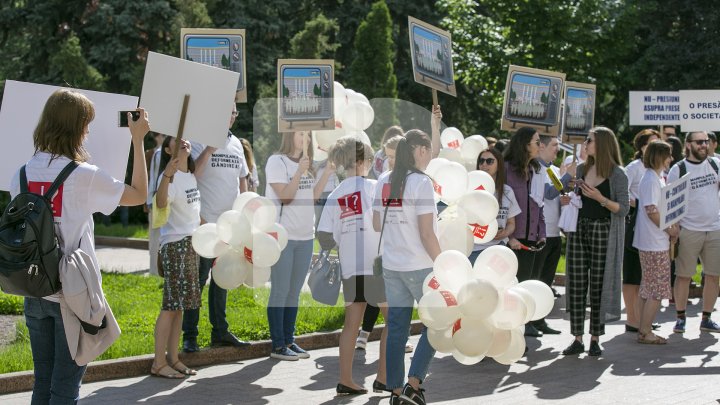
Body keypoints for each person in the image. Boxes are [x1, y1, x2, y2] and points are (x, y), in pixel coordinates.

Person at [12, 89, 149, 403]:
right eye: (86, 125)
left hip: (34, 290)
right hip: (72, 295)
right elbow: (139, 194)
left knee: (42, 384)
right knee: (64, 389)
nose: (88, 132)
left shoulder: (21, 173)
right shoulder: (84, 176)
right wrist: (138, 140)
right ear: (74, 129)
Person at [373, 129, 440, 405]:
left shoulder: (383, 180)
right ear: (421, 150)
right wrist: (444, 265)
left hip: (392, 264)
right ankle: (414, 383)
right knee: (436, 324)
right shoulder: (421, 183)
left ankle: (397, 391)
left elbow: (377, 224)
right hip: (420, 265)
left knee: (397, 329)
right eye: (428, 152)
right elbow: (427, 234)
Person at [317, 136, 389, 395]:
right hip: (377, 265)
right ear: (362, 161)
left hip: (351, 267)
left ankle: (345, 379)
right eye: (370, 160)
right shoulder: (373, 187)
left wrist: (343, 240)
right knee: (392, 320)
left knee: (351, 324)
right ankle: (383, 377)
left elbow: (324, 236)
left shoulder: (336, 194)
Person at [183, 105, 250, 352]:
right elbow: (193, 174)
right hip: (204, 224)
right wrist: (210, 148)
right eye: (227, 111)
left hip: (229, 225)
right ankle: (190, 336)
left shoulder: (237, 145)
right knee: (197, 282)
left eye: (234, 112)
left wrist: (245, 213)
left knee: (222, 280)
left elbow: (242, 179)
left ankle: (220, 332)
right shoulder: (199, 140)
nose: (231, 116)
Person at [265, 131, 336, 360]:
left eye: (308, 135)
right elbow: (285, 197)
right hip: (283, 236)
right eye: (300, 134)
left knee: (294, 292)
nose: (305, 138)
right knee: (280, 291)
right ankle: (277, 345)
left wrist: (327, 173)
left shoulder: (310, 165)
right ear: (289, 134)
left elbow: (313, 197)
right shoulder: (277, 161)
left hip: (306, 236)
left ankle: (289, 340)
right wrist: (299, 171)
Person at [563, 127, 628, 357]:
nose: (585, 143)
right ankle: (577, 337)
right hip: (579, 227)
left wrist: (600, 198)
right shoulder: (581, 168)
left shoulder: (617, 174)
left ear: (601, 144)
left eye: (589, 140)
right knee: (577, 281)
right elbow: (567, 194)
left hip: (604, 230)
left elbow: (623, 209)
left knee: (599, 283)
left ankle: (595, 338)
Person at [356, 134, 414, 354]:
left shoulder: (411, 180)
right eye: (387, 156)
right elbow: (377, 220)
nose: (390, 161)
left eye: (394, 156)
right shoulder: (383, 180)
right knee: (384, 295)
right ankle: (374, 335)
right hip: (385, 247)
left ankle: (399, 338)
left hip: (404, 248)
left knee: (398, 297)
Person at [151, 137, 201, 378]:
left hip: (191, 245)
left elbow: (192, 216)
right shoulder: (169, 177)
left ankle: (174, 358)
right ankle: (158, 363)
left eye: (185, 139)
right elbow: (161, 203)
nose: (183, 141)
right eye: (176, 140)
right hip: (175, 246)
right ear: (168, 149)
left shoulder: (190, 176)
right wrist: (167, 176)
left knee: (179, 307)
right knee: (170, 306)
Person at [667, 131, 720, 334]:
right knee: (683, 276)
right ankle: (680, 317)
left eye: (706, 141)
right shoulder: (678, 169)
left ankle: (706, 318)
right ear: (688, 145)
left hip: (714, 229)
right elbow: (670, 201)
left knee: (713, 276)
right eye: (699, 142)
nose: (704, 145)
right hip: (688, 230)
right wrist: (673, 227)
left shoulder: (715, 164)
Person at [503, 127, 546, 338]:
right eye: (537, 142)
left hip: (531, 237)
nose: (541, 146)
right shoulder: (506, 170)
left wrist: (542, 232)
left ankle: (524, 324)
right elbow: (500, 206)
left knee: (526, 284)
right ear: (525, 145)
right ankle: (510, 328)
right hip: (511, 238)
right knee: (510, 286)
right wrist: (509, 236)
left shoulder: (537, 170)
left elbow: (539, 205)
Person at [633, 141, 677, 344]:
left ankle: (643, 328)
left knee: (648, 287)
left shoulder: (652, 177)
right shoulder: (651, 179)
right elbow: (652, 210)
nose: (671, 159)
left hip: (650, 240)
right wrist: (669, 229)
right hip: (654, 241)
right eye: (668, 155)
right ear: (660, 156)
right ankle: (645, 330)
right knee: (657, 289)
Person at [532, 134, 575, 335]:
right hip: (540, 234)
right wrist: (567, 178)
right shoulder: (535, 169)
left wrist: (564, 200)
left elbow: (555, 197)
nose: (557, 149)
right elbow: (548, 193)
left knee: (547, 281)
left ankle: (540, 320)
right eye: (554, 145)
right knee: (536, 279)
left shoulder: (556, 170)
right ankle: (529, 321)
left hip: (555, 233)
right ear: (541, 147)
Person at [622, 129, 660, 333]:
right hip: (634, 223)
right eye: (651, 143)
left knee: (645, 276)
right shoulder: (634, 168)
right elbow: (622, 193)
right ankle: (632, 318)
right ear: (641, 146)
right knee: (632, 274)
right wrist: (639, 203)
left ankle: (642, 318)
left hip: (650, 228)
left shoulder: (657, 170)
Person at [468, 148, 520, 265]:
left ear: (499, 165)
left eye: (490, 161)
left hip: (498, 247)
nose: (484, 164)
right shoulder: (470, 189)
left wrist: (506, 233)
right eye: (481, 161)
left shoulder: (507, 191)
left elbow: (511, 223)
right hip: (474, 249)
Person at [146, 131, 166, 277]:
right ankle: (154, 270)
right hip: (158, 200)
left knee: (158, 236)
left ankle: (156, 270)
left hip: (159, 199)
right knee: (156, 236)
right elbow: (154, 179)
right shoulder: (160, 154)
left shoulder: (159, 153)